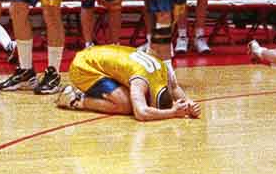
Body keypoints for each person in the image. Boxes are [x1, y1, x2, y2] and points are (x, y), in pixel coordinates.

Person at [55, 28, 202, 120]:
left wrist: (189, 104)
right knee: (125, 105)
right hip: (84, 67)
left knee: (130, 99)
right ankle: (75, 100)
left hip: (99, 57)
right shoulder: (140, 81)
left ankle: (91, 94)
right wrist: (172, 113)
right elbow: (141, 113)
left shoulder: (163, 70)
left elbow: (175, 88)